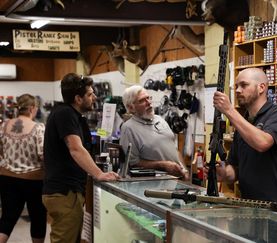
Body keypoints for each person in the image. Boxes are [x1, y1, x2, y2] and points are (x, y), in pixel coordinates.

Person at [42, 73, 119, 243]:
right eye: (90, 94)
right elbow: (75, 148)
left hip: (68, 191)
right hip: (64, 192)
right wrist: (99, 174)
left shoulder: (72, 115)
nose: (94, 97)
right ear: (78, 98)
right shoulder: (65, 114)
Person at [209, 67, 277, 213]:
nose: (238, 90)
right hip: (250, 208)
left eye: (244, 85)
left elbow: (262, 143)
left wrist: (230, 111)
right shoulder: (243, 122)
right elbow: (236, 170)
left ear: (261, 88)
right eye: (237, 86)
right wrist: (223, 172)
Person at [0, 94, 46, 243]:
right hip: (33, 180)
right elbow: (43, 155)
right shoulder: (38, 128)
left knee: (7, 218)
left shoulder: (4, 125)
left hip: (7, 178)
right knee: (38, 218)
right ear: (32, 108)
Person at [120, 85, 188, 179]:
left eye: (148, 98)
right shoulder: (128, 128)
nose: (148, 103)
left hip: (176, 181)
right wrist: (163, 165)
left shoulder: (160, 119)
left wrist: (185, 170)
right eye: (142, 100)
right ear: (131, 107)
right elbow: (133, 163)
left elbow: (174, 149)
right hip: (154, 185)